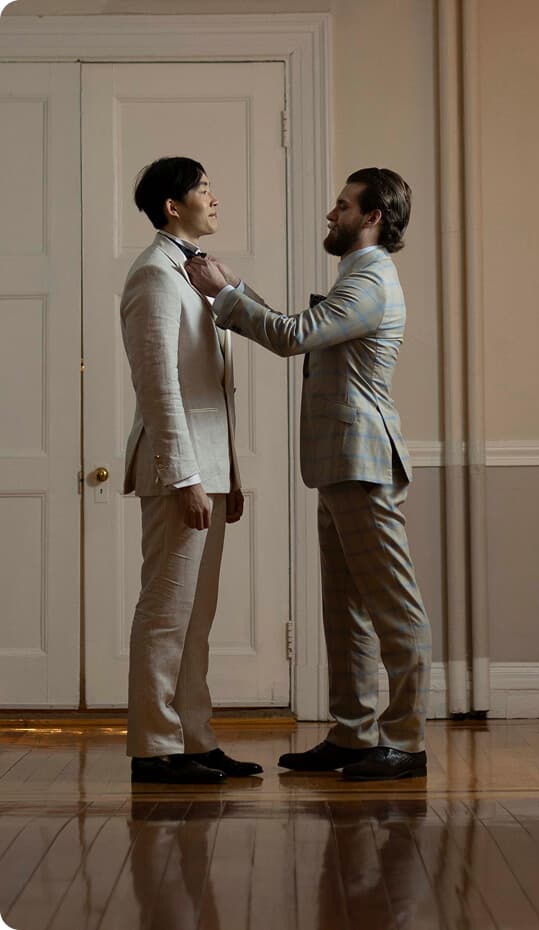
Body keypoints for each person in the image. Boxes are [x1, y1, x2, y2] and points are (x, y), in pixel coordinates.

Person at [186, 167, 432, 781]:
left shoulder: (371, 279)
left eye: (343, 206)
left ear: (371, 217)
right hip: (340, 463)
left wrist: (224, 295)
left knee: (393, 608)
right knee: (344, 609)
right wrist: (236, 287)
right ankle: (353, 735)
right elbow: (300, 326)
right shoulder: (356, 277)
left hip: (364, 464)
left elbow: (294, 335)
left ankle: (406, 742)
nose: (331, 213)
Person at [121, 156, 262, 784]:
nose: (214, 198)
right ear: (173, 206)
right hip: (179, 475)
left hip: (211, 474)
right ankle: (154, 748)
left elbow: (213, 388)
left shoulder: (197, 273)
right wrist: (186, 478)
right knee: (166, 613)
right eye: (204, 188)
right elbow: (159, 388)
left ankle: (195, 739)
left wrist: (228, 475)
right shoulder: (153, 275)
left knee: (196, 619)